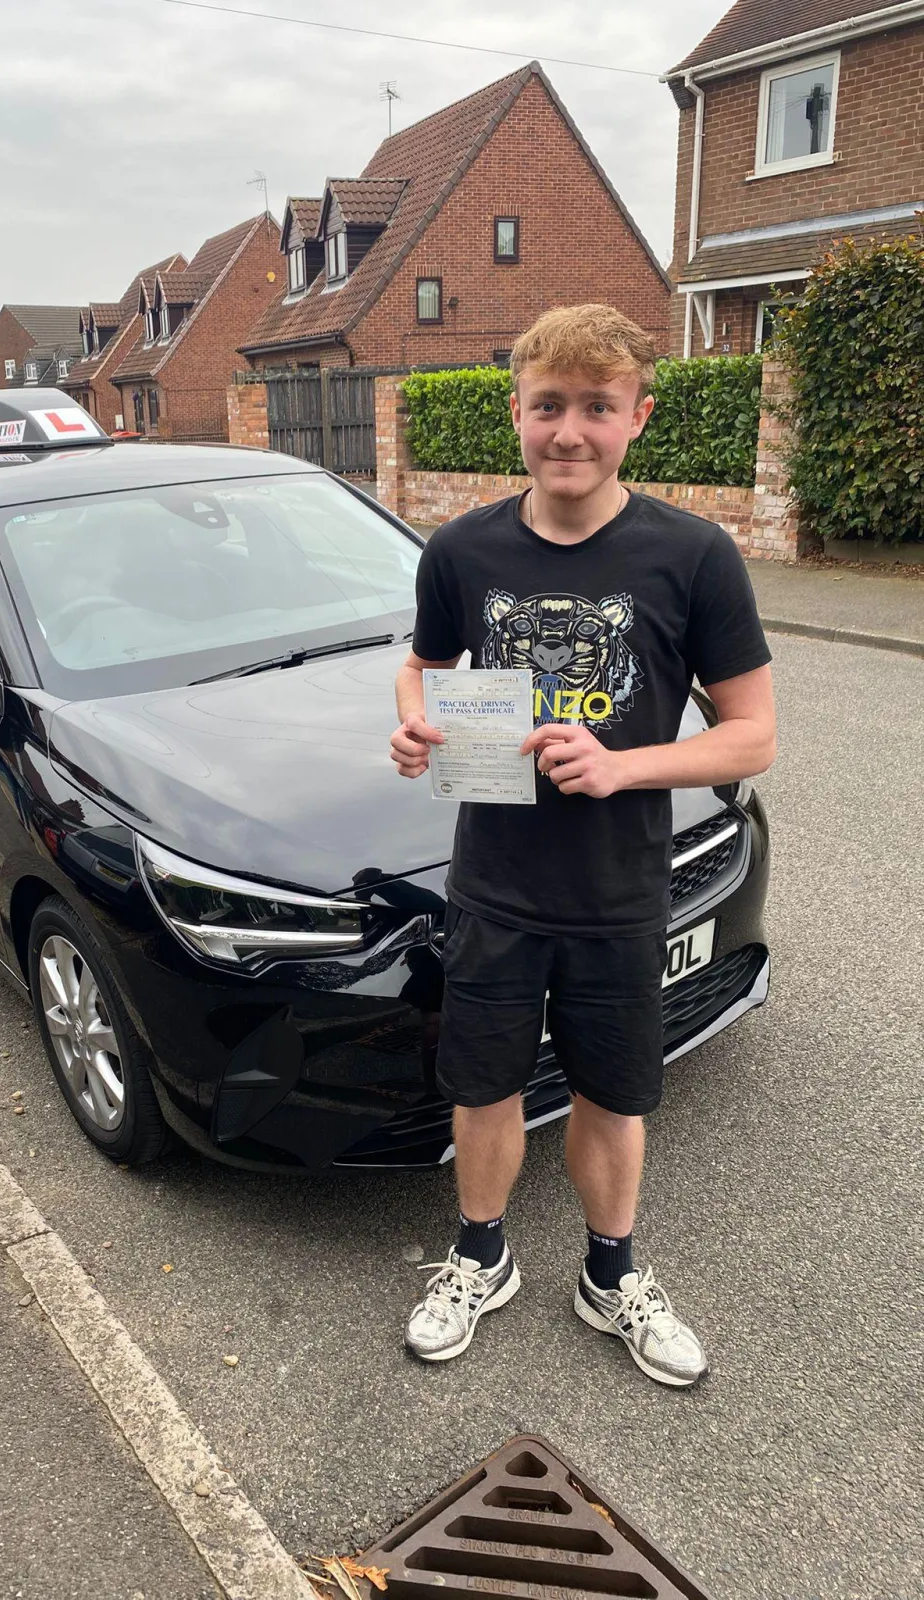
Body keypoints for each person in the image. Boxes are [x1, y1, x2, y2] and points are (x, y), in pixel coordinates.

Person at [390, 304, 775, 1387]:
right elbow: (422, 667)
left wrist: (621, 766)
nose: (569, 431)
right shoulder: (461, 550)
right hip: (495, 886)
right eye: (548, 405)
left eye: (597, 407)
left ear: (637, 417)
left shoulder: (694, 556)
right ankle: (481, 1258)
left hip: (618, 892)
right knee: (485, 1087)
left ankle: (611, 1274)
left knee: (614, 1092)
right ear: (514, 411)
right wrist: (415, 725)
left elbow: (754, 734)